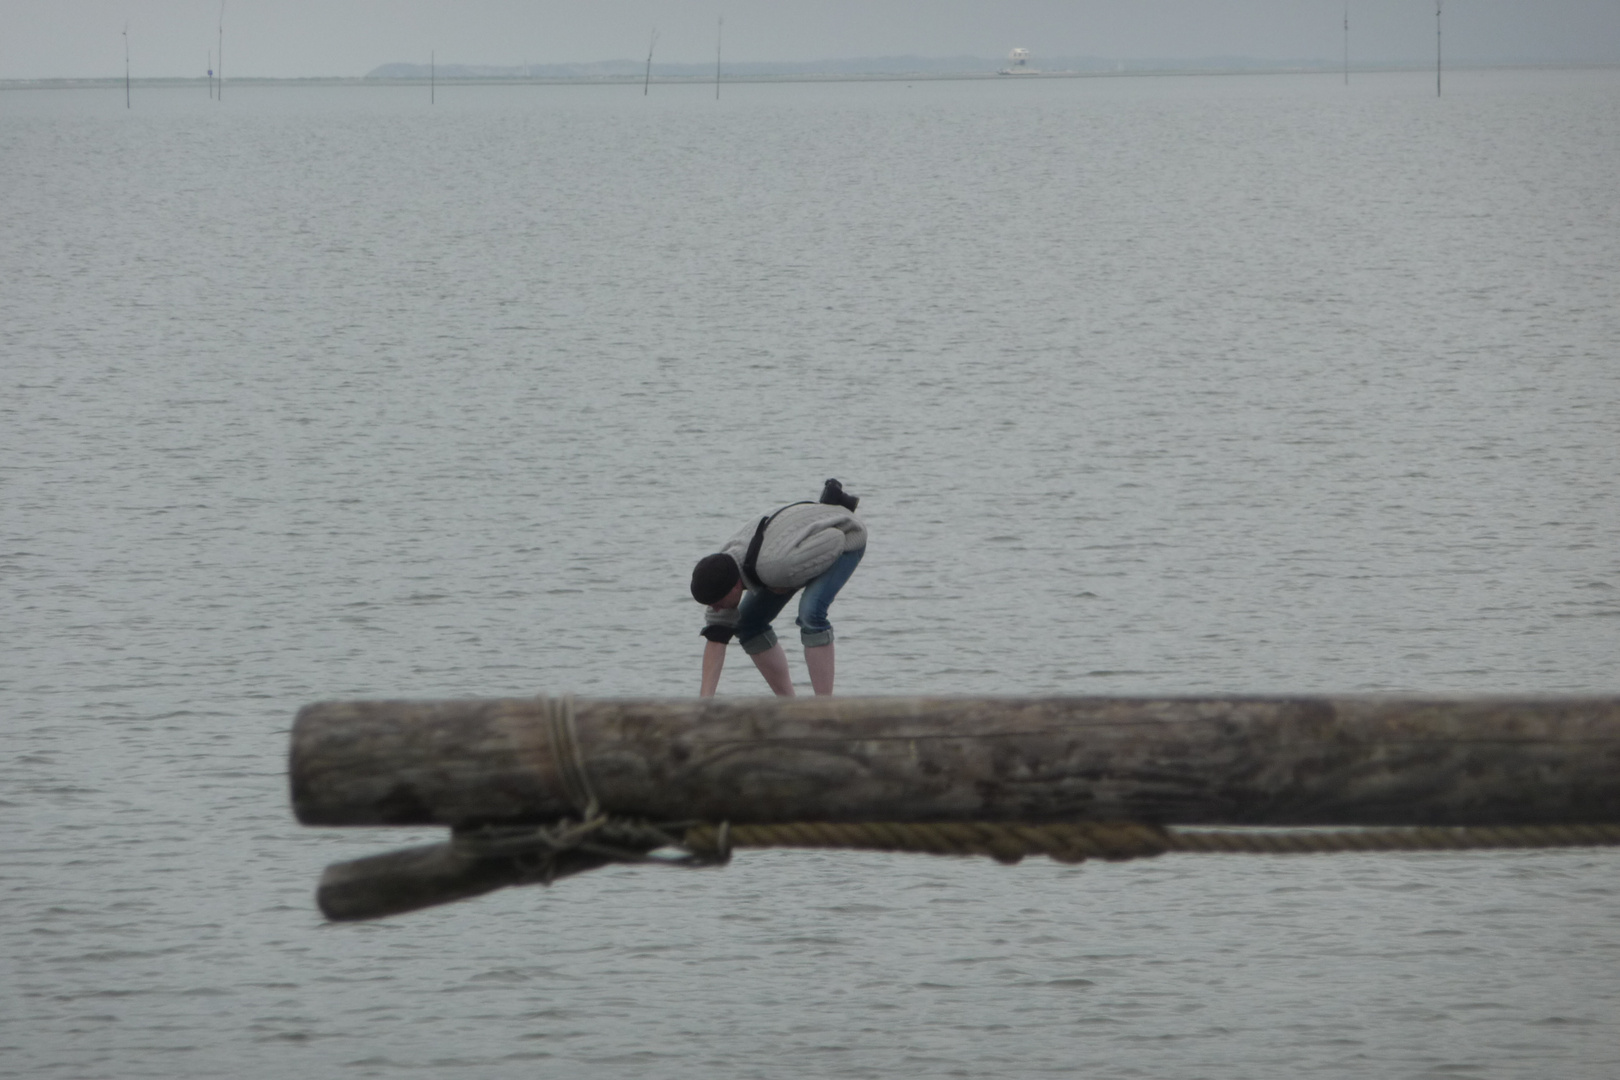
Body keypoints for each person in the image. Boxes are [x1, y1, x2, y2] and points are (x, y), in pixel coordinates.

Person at [690, 480, 867, 698]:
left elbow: (835, 539)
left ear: (735, 585)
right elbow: (716, 637)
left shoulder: (776, 568)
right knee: (746, 624)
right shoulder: (721, 569)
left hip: (846, 534)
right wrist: (704, 704)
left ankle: (824, 707)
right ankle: (788, 705)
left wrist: (789, 580)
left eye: (717, 603)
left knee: (810, 613)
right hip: (789, 552)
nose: (715, 608)